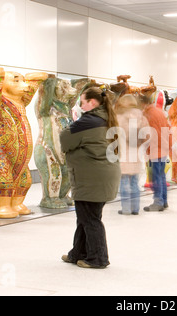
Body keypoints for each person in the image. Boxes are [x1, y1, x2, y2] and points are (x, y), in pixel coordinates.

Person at [60, 87, 121, 269]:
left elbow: (65, 139)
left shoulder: (87, 121)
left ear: (92, 103)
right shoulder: (108, 118)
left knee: (90, 219)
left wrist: (72, 124)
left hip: (91, 179)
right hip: (103, 176)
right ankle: (78, 253)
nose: (81, 105)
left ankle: (98, 258)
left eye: (83, 102)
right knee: (86, 217)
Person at [115, 95, 150, 215]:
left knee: (124, 182)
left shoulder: (119, 117)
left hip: (124, 153)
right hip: (137, 154)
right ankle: (135, 208)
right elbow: (147, 134)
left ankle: (126, 209)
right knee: (134, 182)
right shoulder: (141, 116)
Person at [140, 95, 172, 212]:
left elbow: (149, 133)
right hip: (163, 148)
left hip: (155, 149)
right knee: (161, 175)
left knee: (156, 176)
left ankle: (158, 202)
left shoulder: (149, 114)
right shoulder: (159, 112)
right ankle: (164, 200)